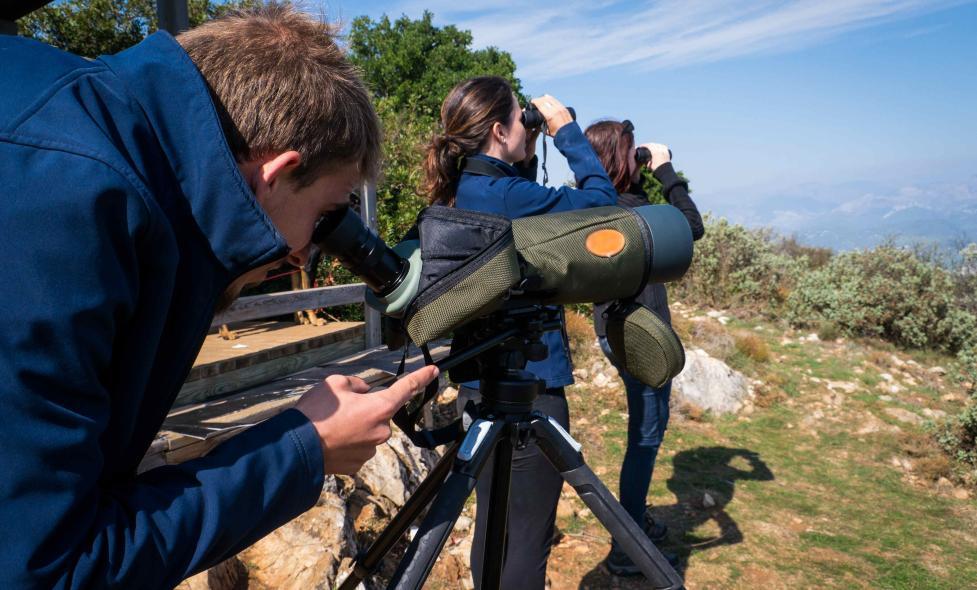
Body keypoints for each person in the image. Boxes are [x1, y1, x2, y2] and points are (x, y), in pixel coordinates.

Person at [0, 5, 439, 589]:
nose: (308, 253)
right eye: (327, 216)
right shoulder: (71, 210)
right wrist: (302, 450)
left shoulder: (76, 132)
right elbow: (52, 568)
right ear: (277, 171)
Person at [422, 76, 618, 589]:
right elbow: (603, 205)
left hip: (474, 386)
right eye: (520, 120)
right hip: (529, 388)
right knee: (529, 538)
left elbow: (519, 210)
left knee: (494, 525)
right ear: (497, 128)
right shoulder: (509, 195)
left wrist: (527, 148)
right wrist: (567, 133)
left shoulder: (462, 190)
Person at [583, 119, 705, 576]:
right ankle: (625, 548)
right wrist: (667, 171)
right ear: (620, 158)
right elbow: (690, 226)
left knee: (645, 432)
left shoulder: (596, 207)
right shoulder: (635, 210)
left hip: (614, 333)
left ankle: (635, 519)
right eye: (632, 152)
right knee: (646, 436)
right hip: (642, 338)